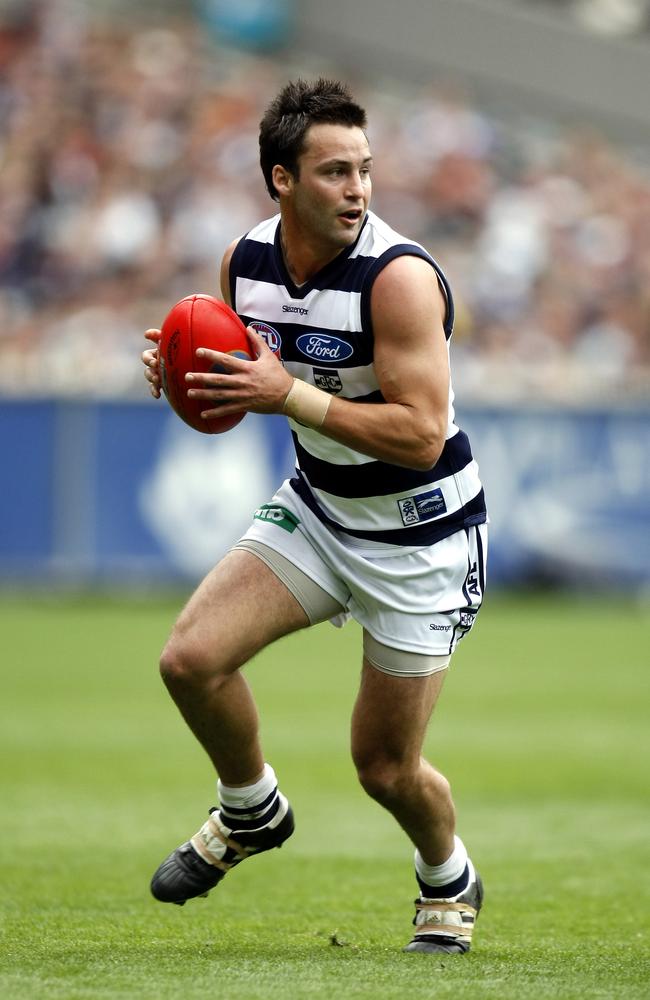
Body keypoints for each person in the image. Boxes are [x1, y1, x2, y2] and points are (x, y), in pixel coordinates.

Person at [142, 78, 487, 955]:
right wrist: (184, 373)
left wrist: (286, 394)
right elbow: (238, 372)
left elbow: (417, 435)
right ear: (280, 180)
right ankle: (251, 809)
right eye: (335, 172)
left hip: (419, 534)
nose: (359, 189)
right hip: (321, 509)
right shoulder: (243, 263)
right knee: (189, 660)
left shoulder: (399, 279)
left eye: (365, 171)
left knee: (383, 768)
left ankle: (448, 876)